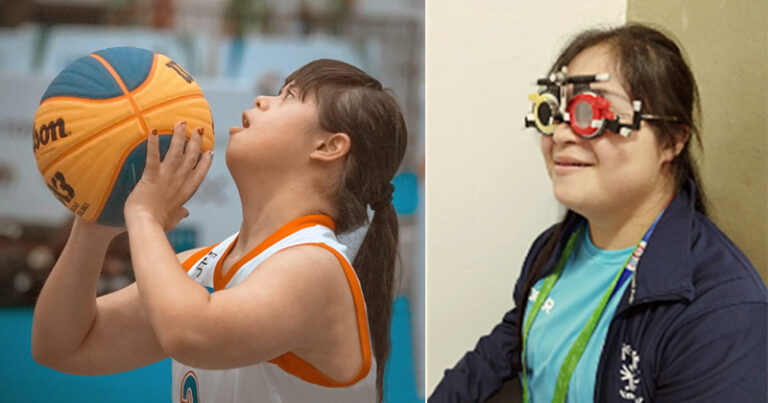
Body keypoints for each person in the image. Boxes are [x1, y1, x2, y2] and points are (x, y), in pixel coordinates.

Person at [32, 59, 408, 403]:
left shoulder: (316, 267)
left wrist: (144, 216)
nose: (262, 100)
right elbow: (61, 346)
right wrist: (93, 227)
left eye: (288, 96)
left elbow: (191, 333)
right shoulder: (201, 268)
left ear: (329, 146)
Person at [430, 25, 767, 402]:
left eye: (589, 112)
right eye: (553, 112)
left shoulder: (722, 312)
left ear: (672, 140)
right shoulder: (554, 250)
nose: (560, 135)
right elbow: (496, 357)